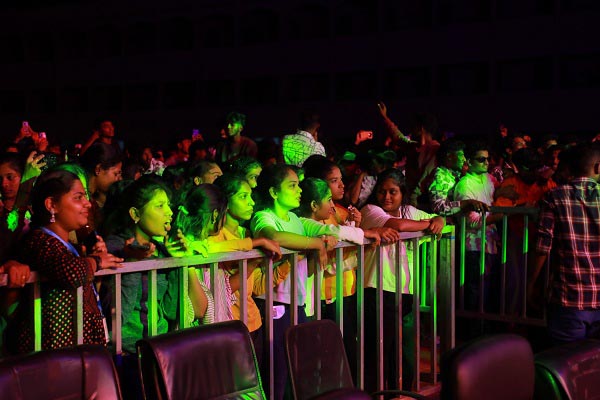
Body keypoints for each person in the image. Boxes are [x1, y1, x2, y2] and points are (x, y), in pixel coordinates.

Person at [8, 169, 123, 354]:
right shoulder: (39, 241)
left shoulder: (69, 246)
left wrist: (93, 258)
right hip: (53, 353)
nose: (87, 203)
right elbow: (71, 272)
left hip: (76, 350)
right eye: (78, 197)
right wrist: (96, 262)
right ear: (51, 205)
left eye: (85, 196)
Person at [250, 163, 337, 400]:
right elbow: (274, 236)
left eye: (298, 185)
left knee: (298, 370)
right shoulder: (263, 216)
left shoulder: (296, 220)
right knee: (276, 371)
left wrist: (322, 242)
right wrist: (315, 243)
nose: (299, 190)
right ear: (273, 192)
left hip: (297, 302)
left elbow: (322, 239)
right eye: (292, 186)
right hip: (273, 302)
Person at [360, 169, 445, 392]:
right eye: (382, 191)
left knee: (403, 347)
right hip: (378, 287)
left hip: (405, 288)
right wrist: (429, 224)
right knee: (380, 348)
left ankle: (402, 391)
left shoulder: (409, 211)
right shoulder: (370, 210)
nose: (386, 197)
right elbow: (398, 225)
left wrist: (438, 219)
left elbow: (436, 220)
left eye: (393, 192)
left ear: (402, 192)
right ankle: (376, 392)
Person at [103, 175, 185, 399]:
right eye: (160, 206)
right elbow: (119, 315)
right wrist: (132, 262)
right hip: (125, 354)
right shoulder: (114, 248)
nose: (169, 212)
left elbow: (170, 310)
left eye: (168, 205)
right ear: (135, 214)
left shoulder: (161, 248)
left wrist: (176, 261)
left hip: (158, 349)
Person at [530, 143, 600, 345]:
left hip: (569, 297)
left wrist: (532, 285)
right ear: (597, 167)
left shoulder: (555, 196)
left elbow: (542, 247)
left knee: (566, 359)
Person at [453, 142, 502, 315]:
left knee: (486, 291)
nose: (487, 162)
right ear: (469, 161)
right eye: (481, 159)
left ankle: (483, 325)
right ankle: (473, 327)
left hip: (490, 244)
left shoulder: (489, 179)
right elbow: (471, 222)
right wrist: (502, 215)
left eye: (488, 159)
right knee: (475, 292)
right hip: (473, 245)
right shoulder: (465, 185)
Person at [428, 138, 488, 217]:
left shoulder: (456, 175)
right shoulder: (440, 175)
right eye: (461, 155)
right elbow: (438, 207)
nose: (464, 159)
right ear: (449, 156)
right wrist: (466, 203)